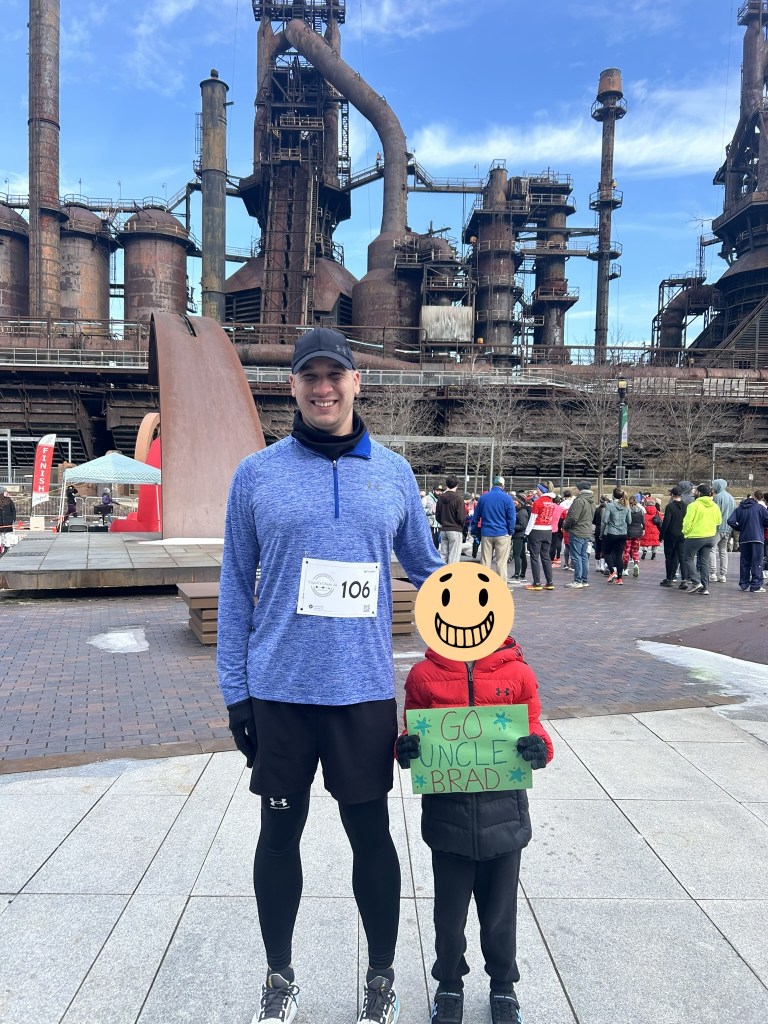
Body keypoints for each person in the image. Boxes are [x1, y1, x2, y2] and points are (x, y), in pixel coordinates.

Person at [217, 327, 444, 1024]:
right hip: (279, 692)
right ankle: (280, 978)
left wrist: (487, 627)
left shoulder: (395, 473)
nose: (323, 388)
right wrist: (236, 692)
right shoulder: (256, 474)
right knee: (278, 836)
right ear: (291, 386)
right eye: (309, 377)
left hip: (362, 691)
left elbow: (429, 571)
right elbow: (234, 587)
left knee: (371, 837)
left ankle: (380, 976)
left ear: (355, 382)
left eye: (334, 376)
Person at [396, 635, 553, 1024]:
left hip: (504, 818)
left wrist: (539, 749)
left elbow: (536, 729)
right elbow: (411, 728)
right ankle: (449, 983)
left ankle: (503, 986)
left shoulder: (518, 673)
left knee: (500, 915)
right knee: (448, 917)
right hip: (448, 820)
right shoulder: (423, 675)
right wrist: (405, 749)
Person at [471, 477, 516, 584]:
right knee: (501, 563)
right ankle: (501, 587)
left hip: (486, 532)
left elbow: (476, 516)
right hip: (502, 533)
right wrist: (510, 531)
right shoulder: (507, 498)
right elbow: (511, 518)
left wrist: (474, 530)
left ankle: (483, 585)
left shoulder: (483, 498)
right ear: (503, 486)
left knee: (485, 562)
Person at [681, 482, 721, 596]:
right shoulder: (715, 506)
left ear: (699, 493)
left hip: (696, 536)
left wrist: (685, 532)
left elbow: (687, 522)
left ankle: (696, 581)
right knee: (704, 561)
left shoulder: (694, 505)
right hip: (710, 536)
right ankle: (705, 587)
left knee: (688, 558)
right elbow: (719, 521)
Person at [727, 489, 768, 593]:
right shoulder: (759, 508)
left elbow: (730, 521)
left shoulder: (739, 509)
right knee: (757, 561)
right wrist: (762, 526)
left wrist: (740, 528)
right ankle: (756, 585)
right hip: (757, 538)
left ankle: (744, 583)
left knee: (745, 562)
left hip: (744, 539)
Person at [562, 481, 595, 589]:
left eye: (576, 488)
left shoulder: (579, 500)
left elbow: (573, 517)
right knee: (583, 556)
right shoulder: (591, 500)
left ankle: (578, 580)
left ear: (580, 489)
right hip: (586, 530)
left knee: (576, 556)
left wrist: (565, 526)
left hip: (577, 530)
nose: (574, 490)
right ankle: (584, 579)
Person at [525, 483, 555, 591]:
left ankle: (537, 583)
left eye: (537, 489)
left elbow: (532, 519)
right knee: (545, 557)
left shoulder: (537, 502)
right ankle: (549, 582)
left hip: (537, 530)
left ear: (540, 490)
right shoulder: (551, 502)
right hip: (548, 530)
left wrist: (527, 532)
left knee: (534, 557)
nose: (536, 491)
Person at [601, 488, 631, 585]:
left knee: (607, 553)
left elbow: (605, 520)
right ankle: (620, 578)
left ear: (613, 496)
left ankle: (611, 571)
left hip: (612, 532)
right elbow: (629, 521)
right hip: (623, 533)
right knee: (619, 556)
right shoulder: (627, 506)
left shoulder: (610, 505)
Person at [658, 486, 686, 588]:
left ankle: (669, 578)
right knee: (682, 558)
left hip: (671, 535)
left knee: (669, 557)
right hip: (682, 534)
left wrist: (661, 535)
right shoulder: (686, 506)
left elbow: (666, 522)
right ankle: (684, 580)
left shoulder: (670, 507)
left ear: (672, 495)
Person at [436, 475, 466, 564]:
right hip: (455, 529)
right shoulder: (459, 498)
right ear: (457, 485)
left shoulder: (441, 498)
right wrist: (461, 525)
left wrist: (442, 522)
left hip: (444, 529)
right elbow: (461, 517)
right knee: (454, 557)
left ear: (446, 484)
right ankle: (452, 576)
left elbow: (437, 515)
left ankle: (441, 575)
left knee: (443, 555)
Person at [711, 479, 736, 583]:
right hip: (728, 528)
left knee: (712, 549)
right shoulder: (731, 498)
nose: (713, 487)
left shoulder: (717, 497)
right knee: (723, 550)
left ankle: (712, 573)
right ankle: (723, 574)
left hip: (717, 527)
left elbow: (714, 513)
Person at [624, 495, 646, 578]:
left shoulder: (627, 510)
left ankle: (625, 569)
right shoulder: (641, 510)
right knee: (635, 550)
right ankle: (636, 564)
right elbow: (643, 522)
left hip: (628, 532)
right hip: (638, 532)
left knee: (626, 550)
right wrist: (643, 530)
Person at [510, 495, 529, 582]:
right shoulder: (520, 511)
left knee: (517, 555)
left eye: (516, 500)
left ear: (520, 502)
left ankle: (517, 574)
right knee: (521, 555)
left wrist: (511, 526)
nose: (514, 501)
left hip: (519, 536)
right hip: (519, 535)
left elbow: (523, 525)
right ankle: (521, 574)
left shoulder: (522, 512)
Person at [0, 490, 17, 555]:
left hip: (8, 521)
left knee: (7, 535)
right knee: (1, 535)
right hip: (0, 521)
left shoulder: (9, 500)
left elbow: (13, 510)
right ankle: (1, 548)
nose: (7, 493)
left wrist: (13, 518)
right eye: (5, 492)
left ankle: (7, 547)